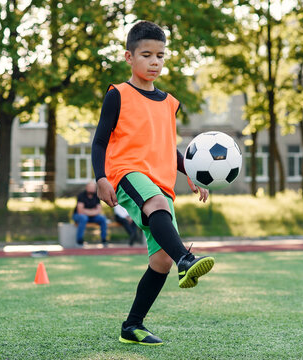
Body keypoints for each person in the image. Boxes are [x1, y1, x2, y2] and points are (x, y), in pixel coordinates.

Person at [92, 20, 214, 346]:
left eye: (160, 55)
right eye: (146, 55)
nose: (155, 62)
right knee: (157, 207)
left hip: (160, 180)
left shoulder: (169, 102)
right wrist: (101, 177)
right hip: (127, 173)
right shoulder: (118, 95)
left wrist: (190, 171)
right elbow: (100, 142)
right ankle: (186, 260)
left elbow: (164, 145)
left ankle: (132, 326)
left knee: (160, 260)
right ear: (129, 57)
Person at [72, 181, 108, 247]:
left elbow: (99, 210)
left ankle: (104, 239)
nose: (92, 189)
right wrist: (92, 211)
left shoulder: (96, 196)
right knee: (83, 218)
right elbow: (80, 211)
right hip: (78, 216)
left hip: (92, 217)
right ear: (86, 187)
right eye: (90, 187)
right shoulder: (81, 196)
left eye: (93, 187)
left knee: (102, 218)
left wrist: (87, 211)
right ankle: (79, 240)